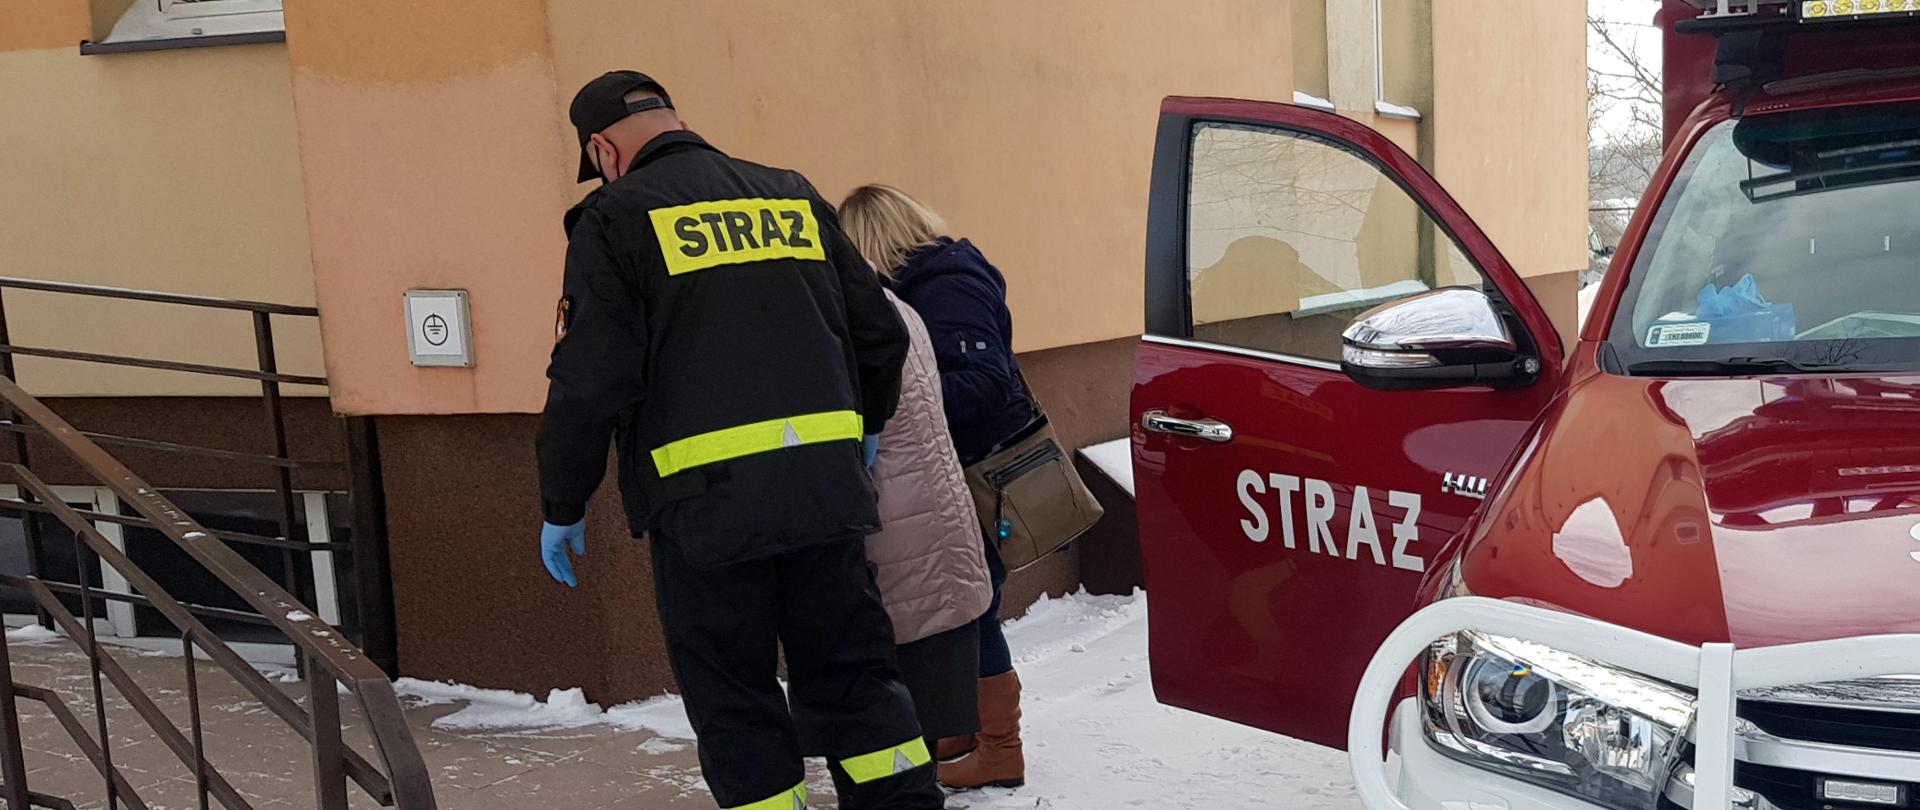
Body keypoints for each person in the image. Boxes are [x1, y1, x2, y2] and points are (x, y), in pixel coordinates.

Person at [536, 72, 942, 810]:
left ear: (601, 149)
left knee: (734, 695)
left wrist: (562, 499)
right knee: (856, 675)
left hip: (705, 512)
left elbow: (590, 379)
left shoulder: (617, 217)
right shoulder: (788, 193)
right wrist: (866, 431)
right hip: (825, 495)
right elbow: (879, 334)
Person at [838, 185, 1033, 791]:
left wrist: (907, 403)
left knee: (975, 611)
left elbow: (984, 382)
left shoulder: (944, 284)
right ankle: (970, 727)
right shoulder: (933, 281)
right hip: (957, 467)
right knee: (967, 606)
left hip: (979, 467)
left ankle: (1002, 749)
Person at [863, 279, 996, 761]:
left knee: (896, 722)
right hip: (936, 518)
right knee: (923, 721)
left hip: (897, 526)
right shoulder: (899, 307)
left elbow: (865, 444)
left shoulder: (852, 316)